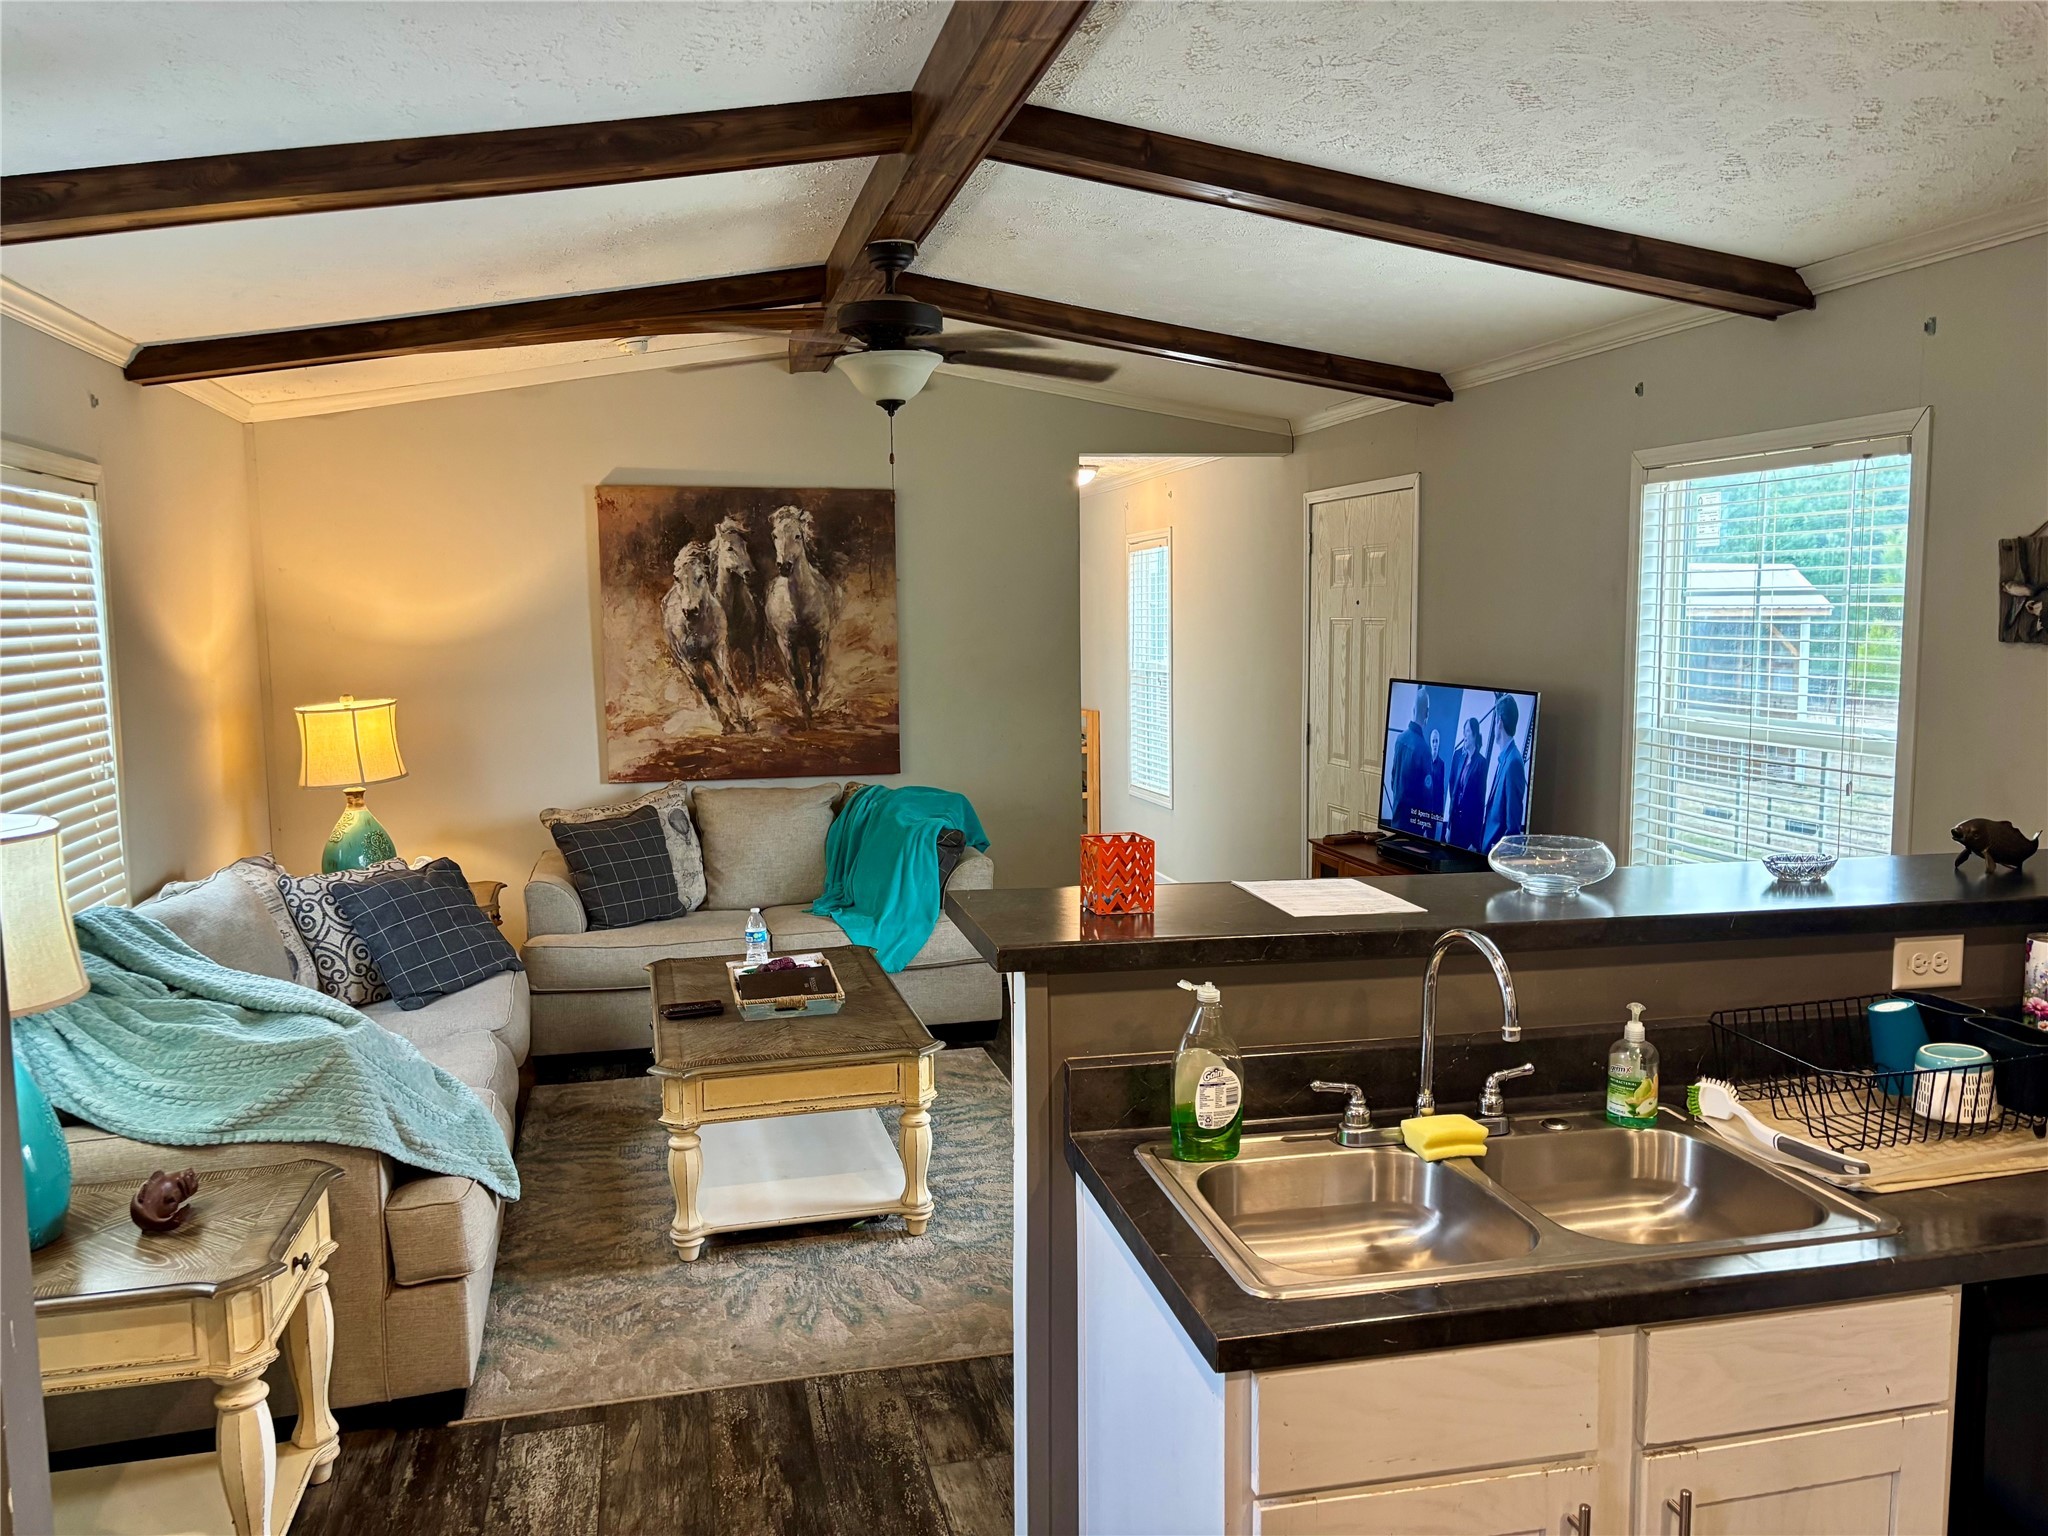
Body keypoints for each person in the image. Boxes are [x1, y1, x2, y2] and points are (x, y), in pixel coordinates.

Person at [1480, 693, 1528, 853]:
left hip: (1494, 861)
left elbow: (1513, 827)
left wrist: (1498, 854)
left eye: (1495, 720)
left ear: (1499, 722)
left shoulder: (1513, 763)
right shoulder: (1505, 758)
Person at [1385, 690, 1433, 835]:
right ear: (1427, 713)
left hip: (1396, 819)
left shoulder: (1399, 740)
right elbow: (1427, 797)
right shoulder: (1424, 750)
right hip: (1413, 829)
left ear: (1413, 710)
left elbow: (1393, 779)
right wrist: (1425, 826)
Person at [1448, 717, 1488, 851]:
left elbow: (1480, 803)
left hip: (1468, 829)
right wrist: (1448, 826)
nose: (1464, 735)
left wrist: (1475, 841)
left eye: (1467, 731)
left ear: (1475, 734)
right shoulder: (1457, 756)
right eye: (1463, 731)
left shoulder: (1481, 763)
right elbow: (1452, 788)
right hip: (1454, 824)